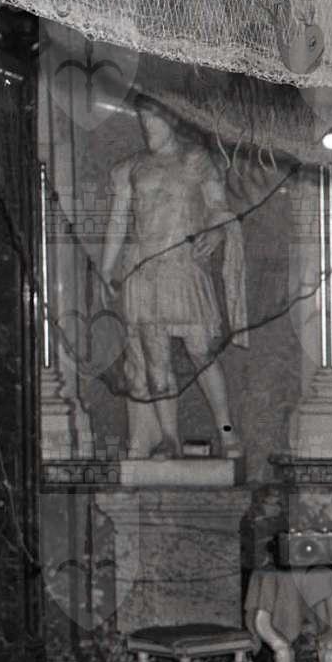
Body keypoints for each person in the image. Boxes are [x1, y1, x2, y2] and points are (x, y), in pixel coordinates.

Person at [100, 96, 247, 458]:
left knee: (202, 353)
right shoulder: (131, 168)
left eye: (154, 119)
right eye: (142, 119)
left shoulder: (196, 160)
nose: (147, 126)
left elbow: (218, 208)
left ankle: (227, 432)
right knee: (156, 360)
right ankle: (169, 439)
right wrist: (106, 268)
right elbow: (118, 221)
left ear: (172, 120)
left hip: (182, 267)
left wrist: (217, 232)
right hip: (143, 271)